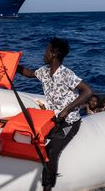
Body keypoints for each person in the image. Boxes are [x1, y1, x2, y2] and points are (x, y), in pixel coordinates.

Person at [16, 37, 92, 191]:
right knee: (34, 141)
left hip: (69, 121)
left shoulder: (66, 74)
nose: (44, 54)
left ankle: (48, 186)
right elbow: (28, 73)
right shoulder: (44, 71)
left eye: (46, 50)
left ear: (53, 54)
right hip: (54, 120)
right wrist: (10, 65)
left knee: (51, 151)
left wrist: (66, 110)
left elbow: (87, 91)